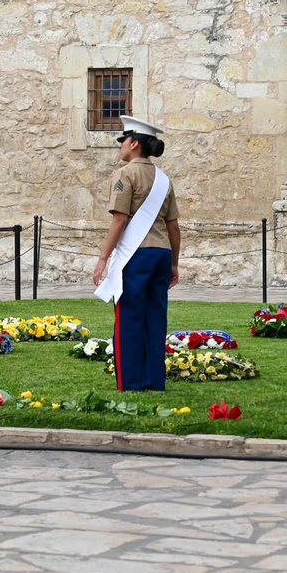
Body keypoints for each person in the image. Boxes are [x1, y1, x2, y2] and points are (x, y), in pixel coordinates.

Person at [92, 115, 180, 392]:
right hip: (162, 254)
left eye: (123, 141)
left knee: (129, 318)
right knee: (156, 319)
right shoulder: (164, 180)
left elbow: (119, 219)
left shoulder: (125, 174)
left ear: (134, 144)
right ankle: (155, 381)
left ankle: (130, 382)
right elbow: (173, 226)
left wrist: (103, 258)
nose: (121, 147)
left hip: (136, 255)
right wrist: (175, 263)